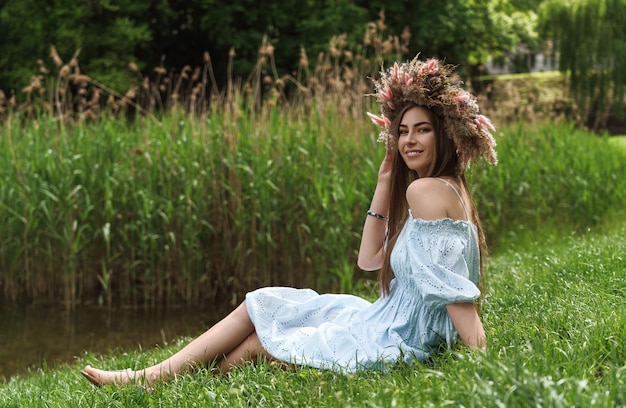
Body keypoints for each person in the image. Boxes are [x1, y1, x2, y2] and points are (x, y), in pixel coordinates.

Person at [80, 55, 498, 387]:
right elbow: (370, 259)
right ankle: (155, 379)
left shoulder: (424, 192)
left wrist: (482, 362)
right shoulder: (443, 189)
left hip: (398, 335)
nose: (408, 140)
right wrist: (384, 178)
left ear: (444, 136)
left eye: (422, 130)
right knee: (264, 303)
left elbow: (455, 295)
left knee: (257, 343)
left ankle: (154, 382)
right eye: (402, 130)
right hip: (387, 319)